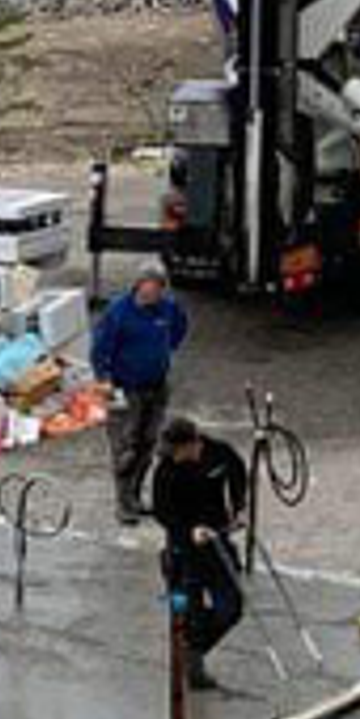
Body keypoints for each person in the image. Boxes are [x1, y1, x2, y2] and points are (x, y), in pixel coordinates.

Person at [149, 415, 251, 688]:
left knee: (232, 607)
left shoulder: (219, 452)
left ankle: (192, 651)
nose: (173, 457)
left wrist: (239, 506)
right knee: (187, 614)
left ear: (193, 443)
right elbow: (162, 512)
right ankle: (193, 663)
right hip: (184, 552)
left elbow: (238, 472)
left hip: (218, 544)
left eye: (177, 451)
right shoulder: (166, 470)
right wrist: (189, 532)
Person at [90, 260, 190, 521]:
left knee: (149, 445)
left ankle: (135, 496)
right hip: (125, 390)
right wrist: (104, 379)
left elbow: (179, 329)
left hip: (156, 388)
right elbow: (99, 350)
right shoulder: (118, 311)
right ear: (138, 284)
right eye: (150, 285)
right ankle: (123, 504)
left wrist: (162, 353)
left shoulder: (168, 309)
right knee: (125, 448)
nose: (154, 292)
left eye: (159, 286)